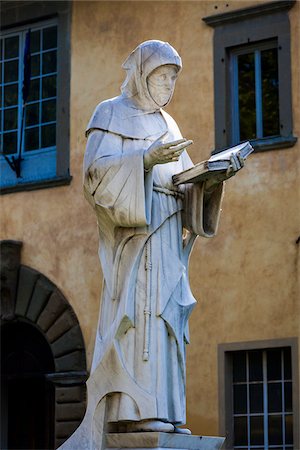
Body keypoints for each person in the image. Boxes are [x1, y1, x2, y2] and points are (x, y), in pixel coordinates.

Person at [83, 40, 242, 435]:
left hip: (169, 234)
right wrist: (144, 161)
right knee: (140, 318)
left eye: (173, 79)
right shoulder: (109, 113)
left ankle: (167, 412)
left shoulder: (168, 125)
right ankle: (135, 410)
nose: (168, 86)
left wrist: (211, 179)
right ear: (141, 74)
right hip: (136, 237)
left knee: (167, 317)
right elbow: (94, 178)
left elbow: (184, 183)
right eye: (162, 77)